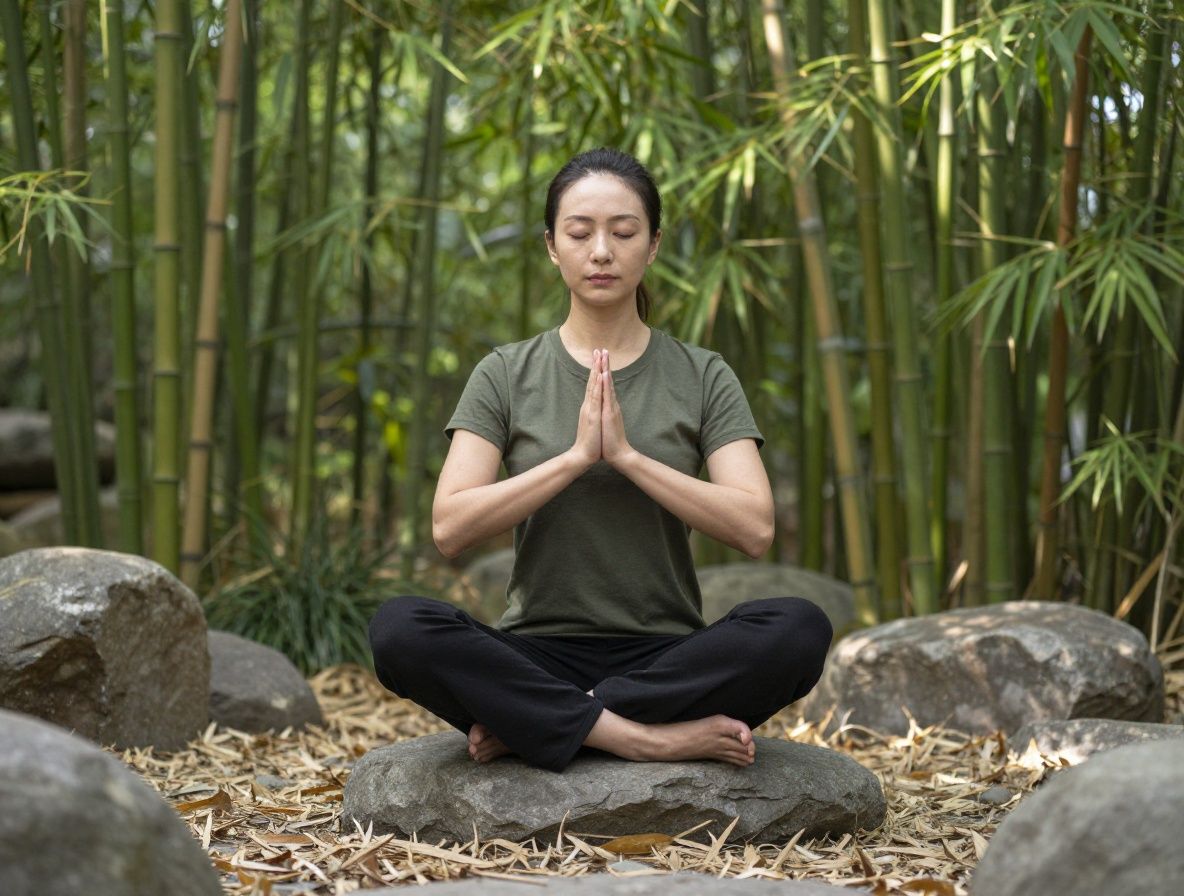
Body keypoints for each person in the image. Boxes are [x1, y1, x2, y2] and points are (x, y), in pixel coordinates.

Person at [368, 147, 832, 773]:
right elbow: (451, 527)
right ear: (552, 247)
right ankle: (645, 738)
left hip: (670, 658)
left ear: (654, 244)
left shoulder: (702, 374)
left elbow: (754, 528)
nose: (602, 251)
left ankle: (542, 723)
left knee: (799, 627)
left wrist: (629, 458)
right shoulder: (505, 373)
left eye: (624, 232)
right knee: (400, 628)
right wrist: (577, 458)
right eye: (580, 233)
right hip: (534, 654)